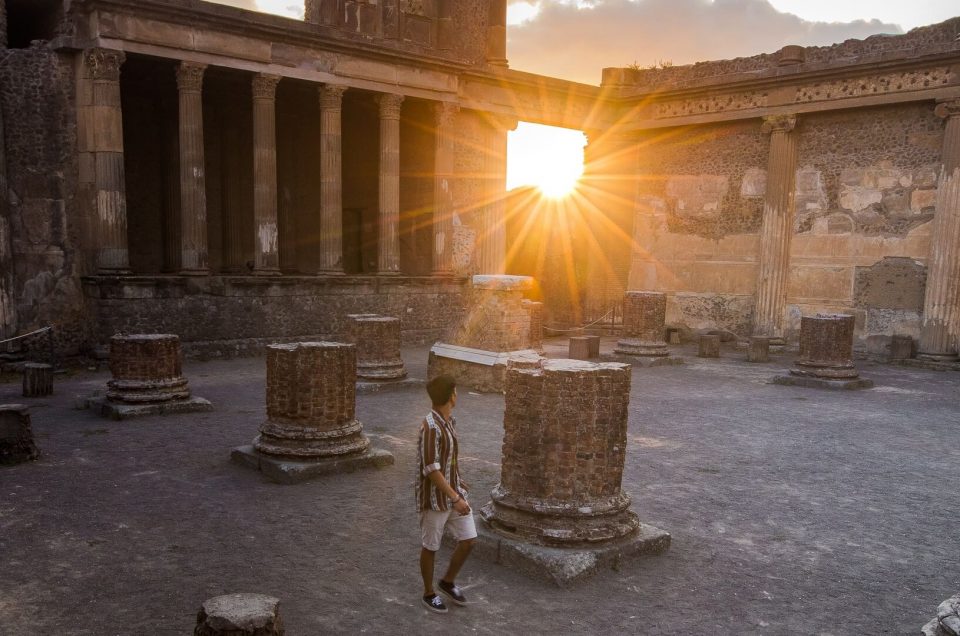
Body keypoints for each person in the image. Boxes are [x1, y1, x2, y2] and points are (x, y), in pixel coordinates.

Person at [416, 374, 476, 614]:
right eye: (456, 391)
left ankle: (447, 581)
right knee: (431, 546)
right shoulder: (430, 426)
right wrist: (455, 498)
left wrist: (458, 481)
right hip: (435, 499)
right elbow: (431, 468)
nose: (457, 394)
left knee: (469, 539)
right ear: (450, 395)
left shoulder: (450, 421)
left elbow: (448, 460)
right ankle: (429, 593)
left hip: (454, 492)